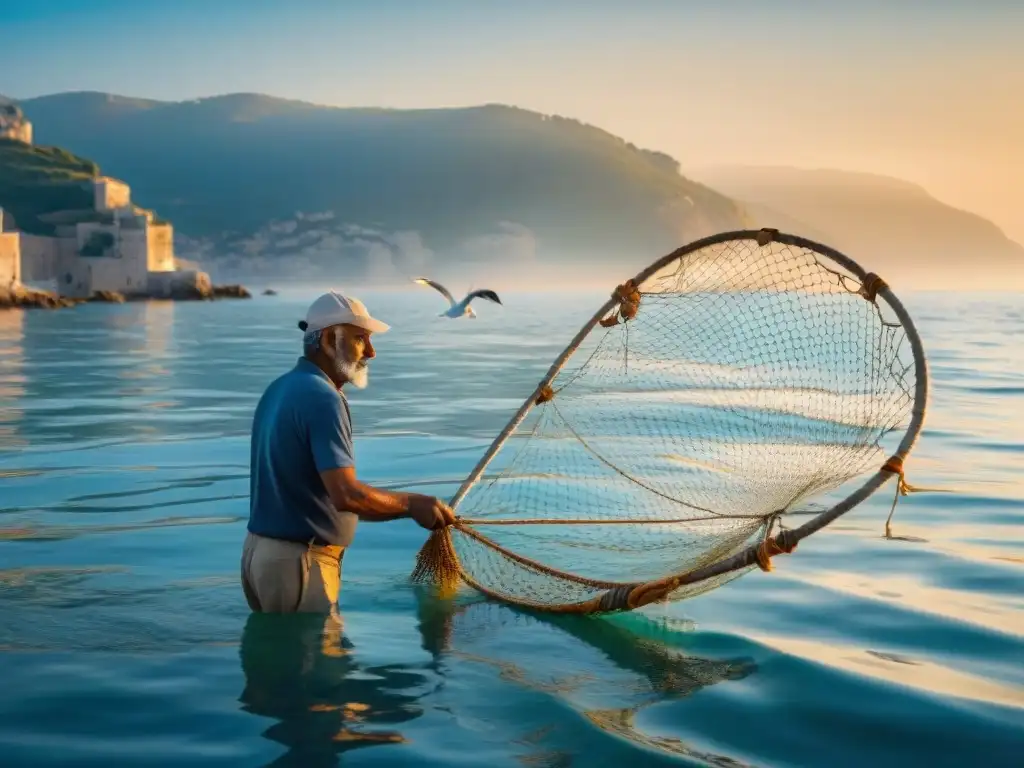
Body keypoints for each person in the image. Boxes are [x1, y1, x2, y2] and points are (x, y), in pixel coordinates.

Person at [241, 290, 456, 614]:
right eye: (360, 339)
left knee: (278, 664)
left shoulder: (279, 388)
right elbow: (346, 496)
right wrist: (412, 504)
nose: (371, 352)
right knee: (320, 664)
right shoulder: (324, 398)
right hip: (300, 563)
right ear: (328, 340)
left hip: (258, 557)